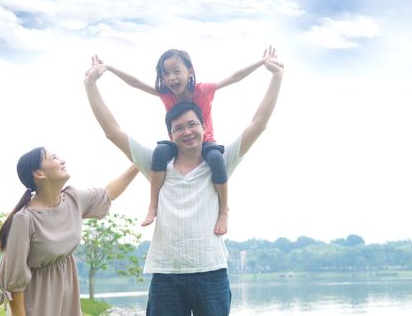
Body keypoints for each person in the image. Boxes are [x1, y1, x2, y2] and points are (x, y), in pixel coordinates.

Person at [84, 46, 283, 316]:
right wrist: (91, 84)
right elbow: (112, 131)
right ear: (170, 134)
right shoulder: (158, 164)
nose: (186, 132)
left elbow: (258, 124)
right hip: (166, 275)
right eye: (178, 128)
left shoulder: (219, 163)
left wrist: (275, 77)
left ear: (204, 127)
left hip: (211, 273)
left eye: (192, 125)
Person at [92, 49, 269, 235]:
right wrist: (109, 68)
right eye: (165, 73)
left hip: (205, 142)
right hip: (178, 144)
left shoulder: (203, 90)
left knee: (216, 158)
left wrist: (261, 63)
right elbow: (136, 83)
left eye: (176, 71)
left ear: (190, 72)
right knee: (159, 153)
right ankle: (153, 205)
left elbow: (234, 78)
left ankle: (224, 210)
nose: (171, 78)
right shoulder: (166, 94)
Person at [0, 147, 139, 316]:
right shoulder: (24, 219)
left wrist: (139, 163)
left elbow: (107, 194)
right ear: (39, 173)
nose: (62, 161)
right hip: (36, 302)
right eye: (54, 157)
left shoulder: (72, 199)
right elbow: (14, 284)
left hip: (67, 296)